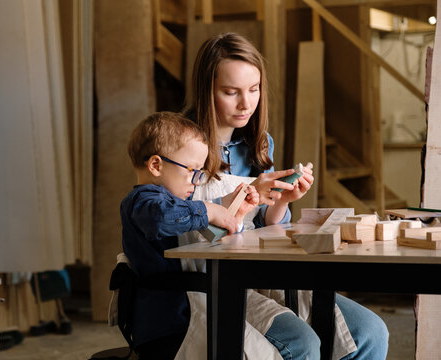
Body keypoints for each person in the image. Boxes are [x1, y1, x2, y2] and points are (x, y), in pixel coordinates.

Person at [183, 32, 389, 359]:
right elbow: (178, 224)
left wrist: (282, 200)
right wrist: (245, 196)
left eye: (254, 90)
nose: (246, 104)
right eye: (230, 92)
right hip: (208, 278)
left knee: (370, 331)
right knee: (302, 343)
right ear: (206, 90)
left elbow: (266, 224)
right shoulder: (178, 143)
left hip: (261, 269)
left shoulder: (259, 142)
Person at [121, 111, 260, 359]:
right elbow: (162, 218)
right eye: (192, 171)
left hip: (190, 315)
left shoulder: (175, 204)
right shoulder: (143, 201)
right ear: (155, 165)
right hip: (166, 328)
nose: (196, 181)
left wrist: (233, 216)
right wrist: (208, 208)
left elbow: (195, 240)